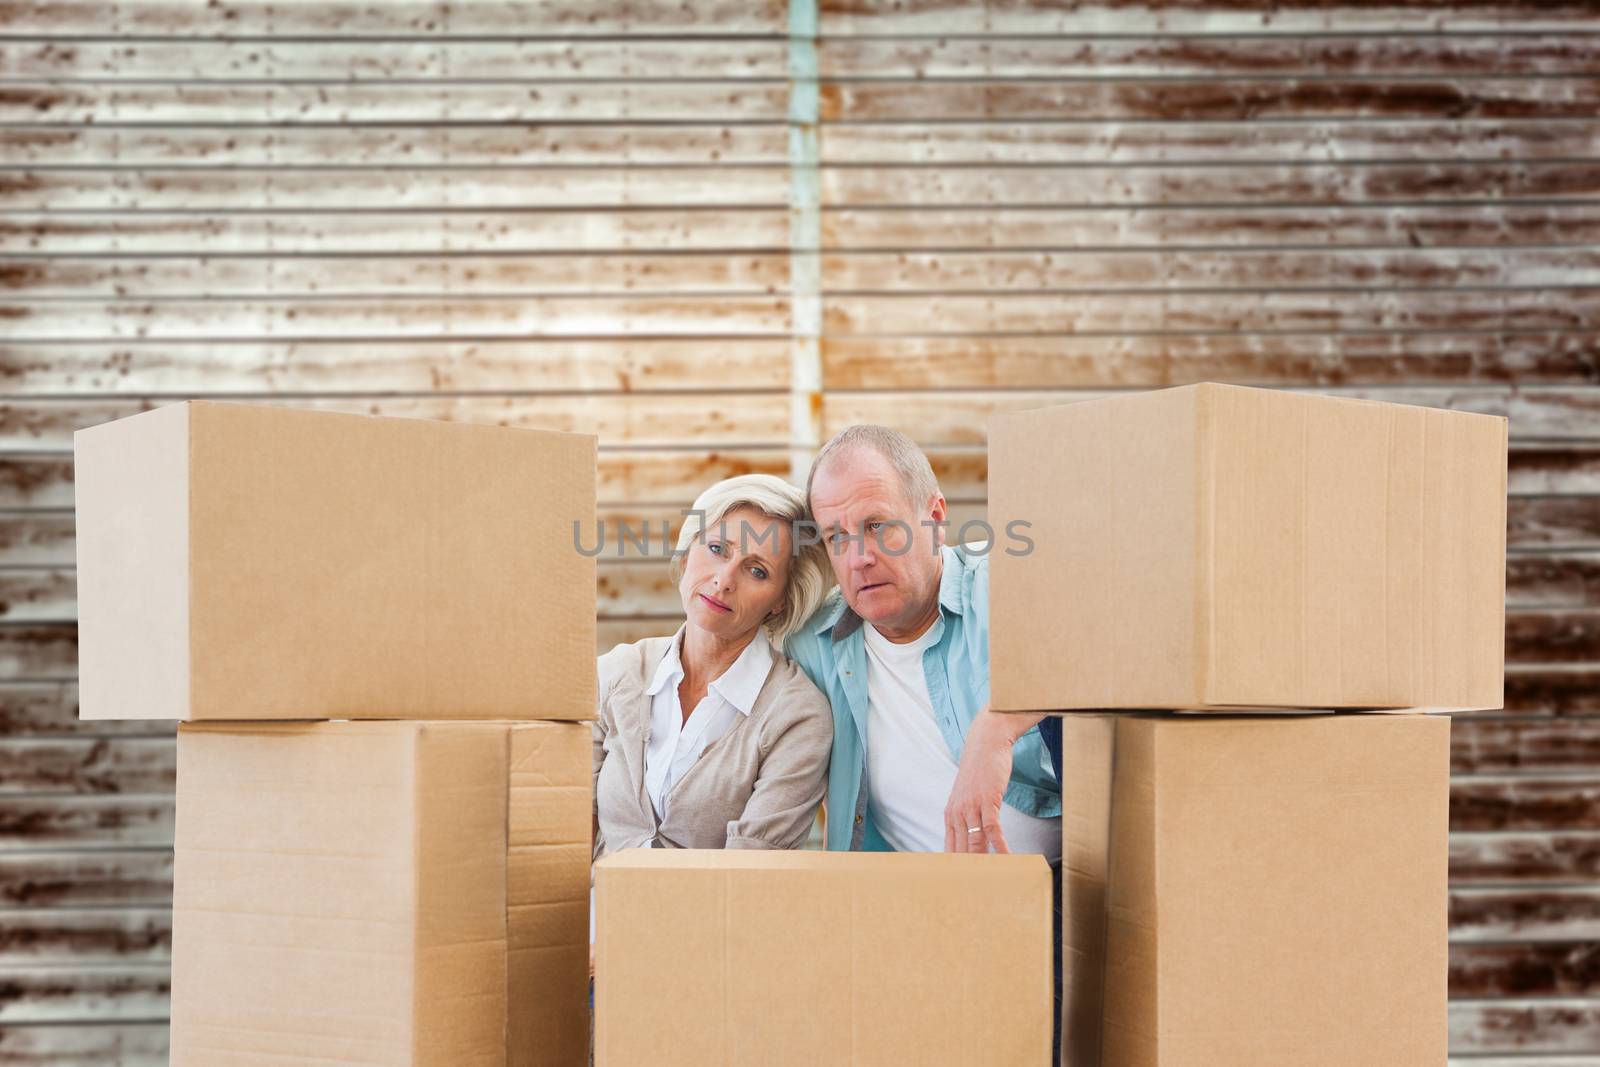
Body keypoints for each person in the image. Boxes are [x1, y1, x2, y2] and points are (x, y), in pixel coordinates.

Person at [782, 425, 1064, 1051]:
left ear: (934, 516)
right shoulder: (813, 647)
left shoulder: (1007, 588)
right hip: (905, 914)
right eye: (837, 537)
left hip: (1051, 900)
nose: (858, 558)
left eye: (879, 526)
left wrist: (999, 725)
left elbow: (1117, 632)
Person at [591, 474, 835, 858]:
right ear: (688, 553)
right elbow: (568, 832)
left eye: (757, 571)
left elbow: (747, 877)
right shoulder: (618, 672)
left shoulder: (797, 715)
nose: (724, 580)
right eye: (718, 548)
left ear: (781, 601)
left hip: (714, 917)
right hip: (596, 915)